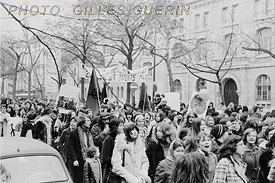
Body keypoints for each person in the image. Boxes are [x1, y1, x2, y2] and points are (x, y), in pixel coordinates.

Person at [67, 115, 95, 183]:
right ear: (83, 122)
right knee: (78, 178)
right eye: (88, 121)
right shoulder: (74, 133)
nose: (90, 122)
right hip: (79, 159)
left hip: (88, 159)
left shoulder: (89, 132)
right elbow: (71, 147)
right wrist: (74, 159)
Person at [101, 118, 124, 183]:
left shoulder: (122, 138)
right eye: (120, 125)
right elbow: (105, 158)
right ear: (115, 127)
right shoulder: (108, 140)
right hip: (110, 170)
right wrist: (118, 158)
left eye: (123, 125)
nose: (123, 127)